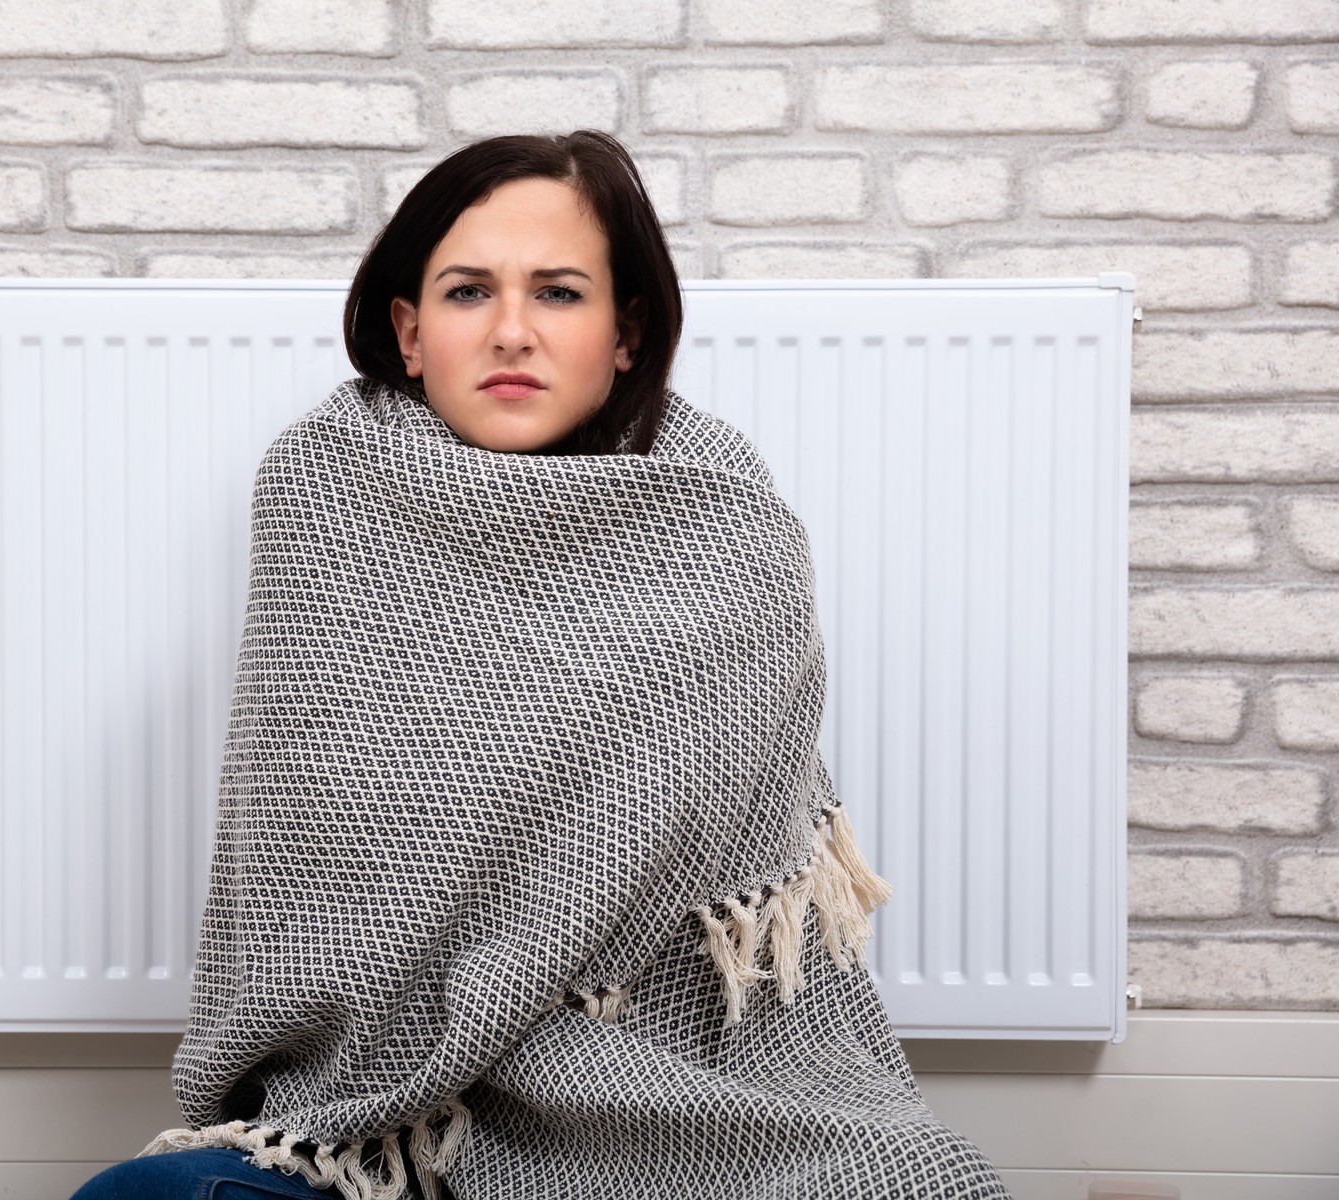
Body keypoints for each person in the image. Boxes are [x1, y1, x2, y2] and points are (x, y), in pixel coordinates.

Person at [72, 130, 1012, 1200]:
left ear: (625, 332)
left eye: (560, 294)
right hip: (383, 1105)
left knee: (910, 1181)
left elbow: (699, 862)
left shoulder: (725, 519)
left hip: (665, 1069)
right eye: (469, 291)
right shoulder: (323, 487)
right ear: (410, 330)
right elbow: (314, 841)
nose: (512, 331)